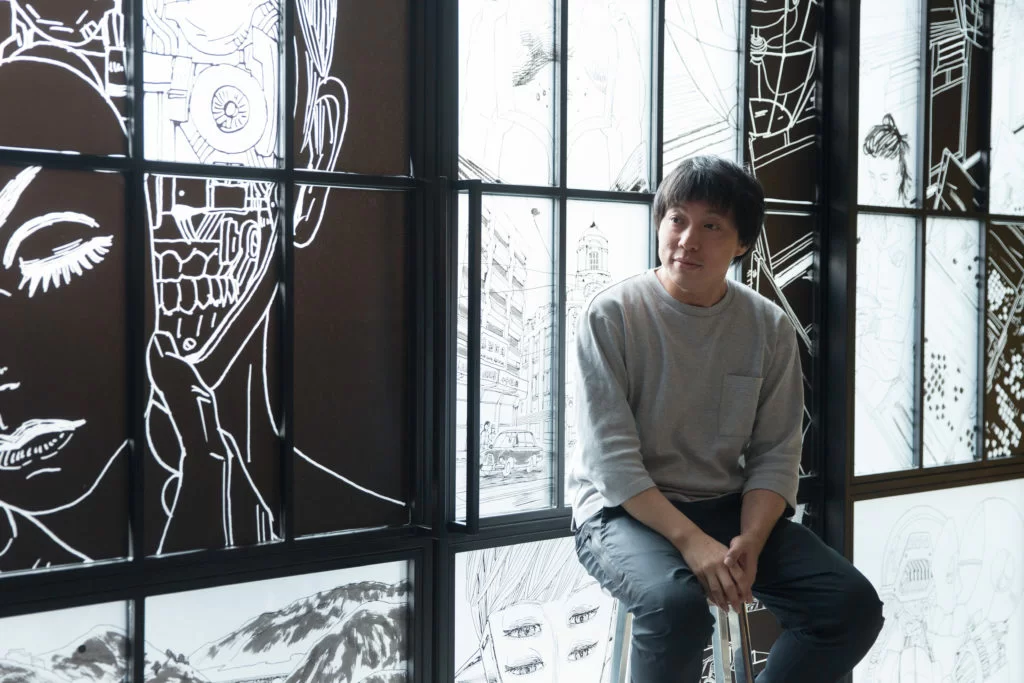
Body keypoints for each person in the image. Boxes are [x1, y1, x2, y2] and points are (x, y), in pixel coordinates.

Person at [569, 155, 884, 682]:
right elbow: (612, 465)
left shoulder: (767, 326)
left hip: (727, 506)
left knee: (849, 607)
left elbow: (776, 453)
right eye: (677, 219)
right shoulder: (611, 315)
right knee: (675, 609)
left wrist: (751, 540)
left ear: (742, 244)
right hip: (622, 512)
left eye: (711, 226)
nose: (687, 240)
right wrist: (692, 542)